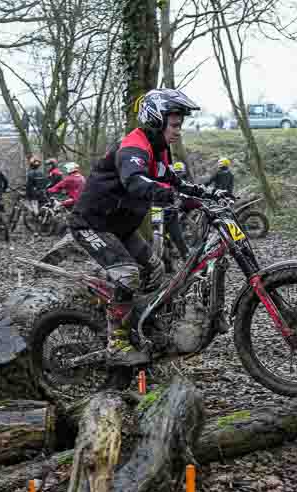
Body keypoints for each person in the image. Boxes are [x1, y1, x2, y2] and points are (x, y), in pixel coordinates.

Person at [68, 88, 231, 365]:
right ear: (157, 120)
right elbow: (135, 181)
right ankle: (116, 343)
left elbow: (177, 184)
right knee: (129, 274)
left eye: (181, 125)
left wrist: (209, 195)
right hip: (91, 225)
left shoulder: (159, 151)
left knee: (154, 269)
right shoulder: (134, 146)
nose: (179, 131)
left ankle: (142, 322)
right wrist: (170, 196)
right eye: (175, 125)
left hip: (120, 227)